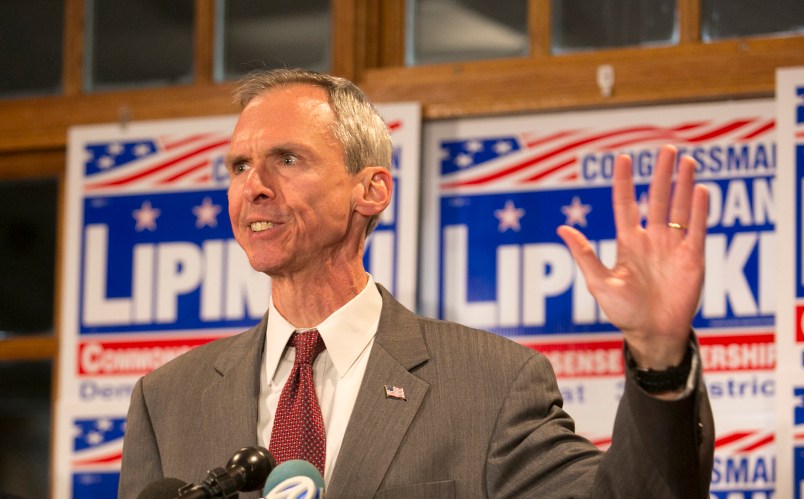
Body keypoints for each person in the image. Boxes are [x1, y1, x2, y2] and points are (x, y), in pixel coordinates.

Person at [119, 68, 714, 498]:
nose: (254, 186)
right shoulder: (167, 401)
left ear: (371, 189)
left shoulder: (490, 385)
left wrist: (659, 354)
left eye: (288, 159)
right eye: (240, 166)